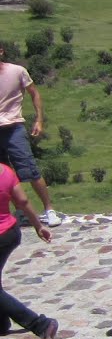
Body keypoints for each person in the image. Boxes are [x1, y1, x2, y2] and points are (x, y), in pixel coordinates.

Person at [0, 39, 63, 226]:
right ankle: (20, 211)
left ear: (1, 51)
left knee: (29, 168)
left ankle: (49, 209)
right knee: (4, 174)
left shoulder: (17, 71)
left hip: (13, 127)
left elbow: (34, 93)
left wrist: (39, 119)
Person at [0, 156, 57, 339]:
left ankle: (40, 324)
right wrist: (38, 225)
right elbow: (22, 201)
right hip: (9, 233)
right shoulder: (5, 171)